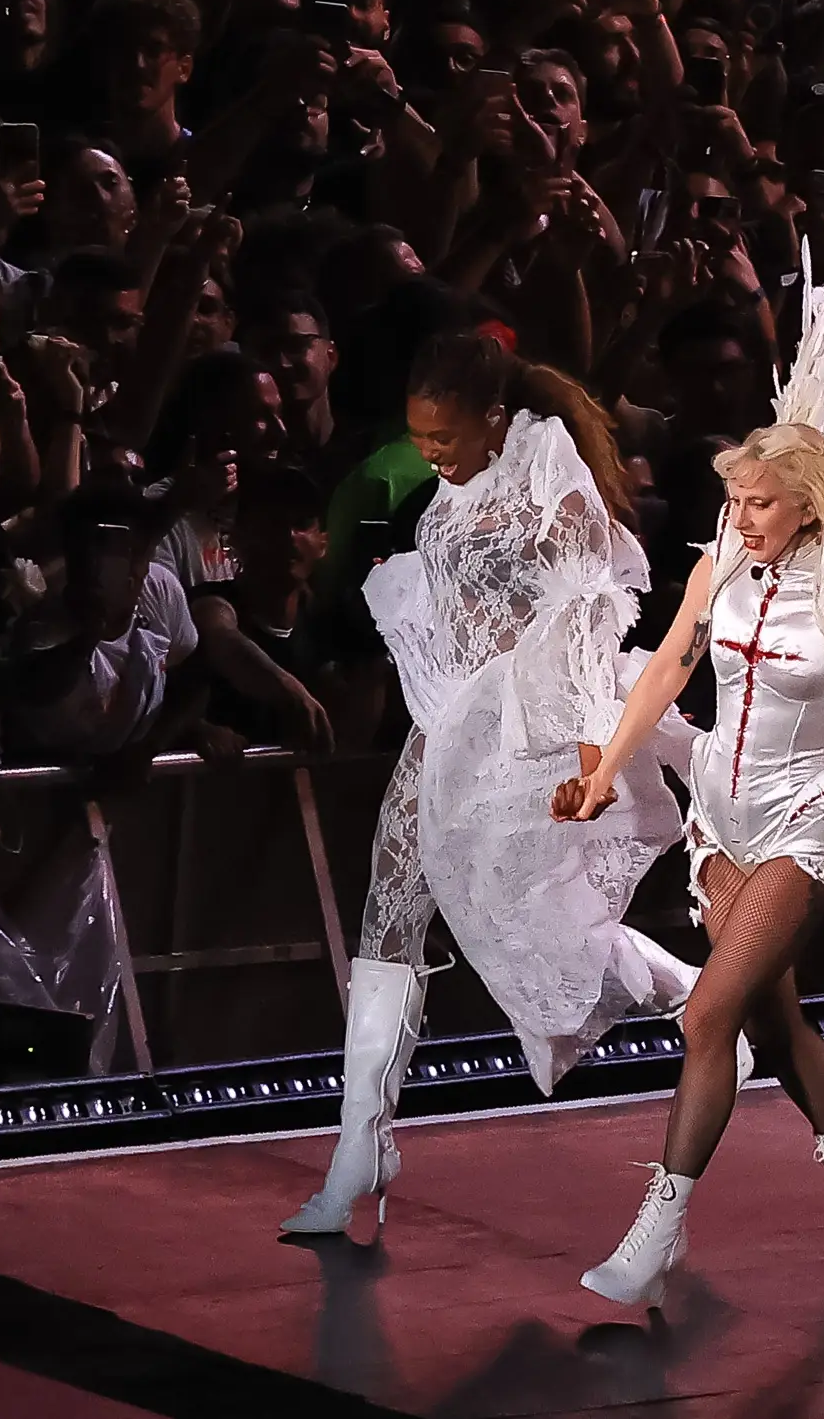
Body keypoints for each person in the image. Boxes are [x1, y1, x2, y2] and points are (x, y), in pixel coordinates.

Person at [554, 241, 824, 1309]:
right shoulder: (720, 564)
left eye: (756, 502)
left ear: (803, 501)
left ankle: (658, 1224)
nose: (738, 516)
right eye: (734, 501)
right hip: (720, 818)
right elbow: (669, 666)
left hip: (807, 816)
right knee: (767, 1021)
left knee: (707, 1017)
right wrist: (609, 764)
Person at [284, 331, 692, 1236]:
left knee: (528, 925)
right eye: (421, 437)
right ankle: (363, 1139)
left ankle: (699, 995)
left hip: (526, 738)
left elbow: (586, 613)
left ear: (498, 420)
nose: (432, 454)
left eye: (446, 438)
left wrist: (595, 750)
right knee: (389, 910)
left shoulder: (554, 482)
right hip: (446, 730)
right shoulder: (458, 489)